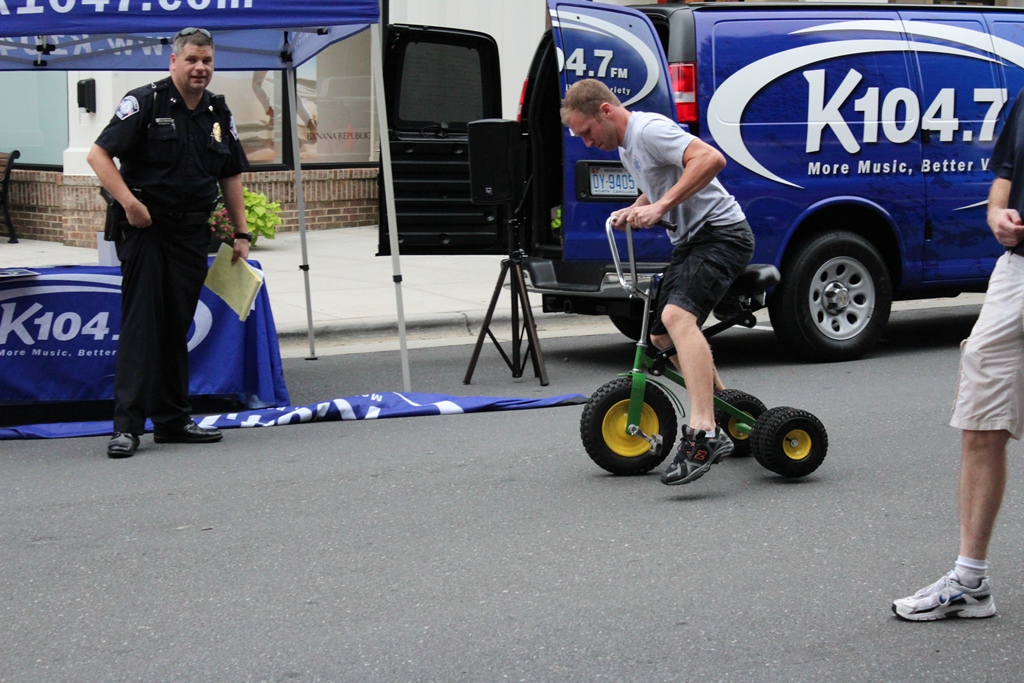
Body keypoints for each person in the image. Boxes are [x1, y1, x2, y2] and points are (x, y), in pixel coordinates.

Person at [560, 78, 754, 486]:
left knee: (678, 317)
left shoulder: (648, 130)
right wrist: (636, 207)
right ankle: (721, 406)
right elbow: (662, 183)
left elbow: (710, 159)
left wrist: (662, 205)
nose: (587, 143)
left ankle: (704, 431)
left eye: (588, 132)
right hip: (692, 241)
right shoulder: (626, 145)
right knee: (662, 334)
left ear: (606, 111)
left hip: (722, 234)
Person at [87, 27, 251, 459]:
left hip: (191, 234)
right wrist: (129, 203)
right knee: (143, 326)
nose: (200, 68)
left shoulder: (217, 112)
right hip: (146, 231)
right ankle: (126, 427)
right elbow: (98, 155)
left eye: (207, 61)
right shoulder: (145, 101)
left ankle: (173, 420)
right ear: (173, 61)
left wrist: (241, 232)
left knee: (177, 326)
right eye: (192, 59)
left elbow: (230, 174)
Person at [891, 90, 1024, 621]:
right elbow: (1004, 178)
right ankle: (970, 580)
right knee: (981, 418)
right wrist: (996, 215)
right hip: (1017, 271)